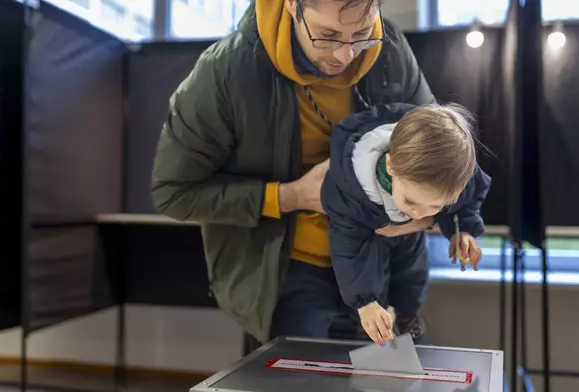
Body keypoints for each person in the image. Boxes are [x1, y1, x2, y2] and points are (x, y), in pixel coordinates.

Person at [150, 0, 436, 352]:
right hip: (289, 278)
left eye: (361, 35)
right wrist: (290, 196)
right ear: (291, 6)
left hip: (383, 269)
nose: (346, 57)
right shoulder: (225, 71)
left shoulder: (390, 50)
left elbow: (439, 157)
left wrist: (421, 213)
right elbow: (173, 193)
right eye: (327, 37)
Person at [321, 102, 492, 345]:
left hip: (408, 244)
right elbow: (347, 247)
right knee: (369, 284)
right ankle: (364, 327)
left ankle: (407, 317)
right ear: (391, 166)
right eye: (411, 200)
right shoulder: (350, 191)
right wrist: (365, 302)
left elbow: (469, 198)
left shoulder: (453, 175)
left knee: (414, 277)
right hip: (365, 241)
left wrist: (463, 229)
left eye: (435, 206)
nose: (420, 214)